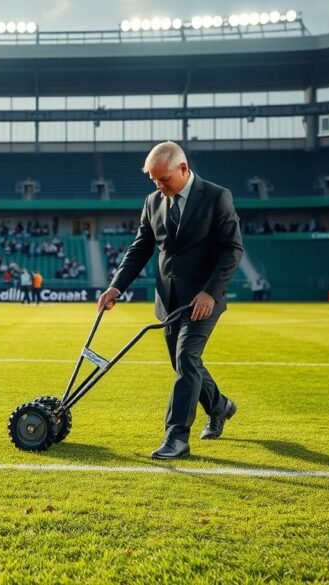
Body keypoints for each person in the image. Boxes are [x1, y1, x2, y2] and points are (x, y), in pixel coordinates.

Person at [97, 141, 244, 460]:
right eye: (153, 180)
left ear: (183, 168)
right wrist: (115, 287)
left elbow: (232, 249)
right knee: (184, 362)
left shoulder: (217, 197)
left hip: (203, 299)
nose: (158, 185)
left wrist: (210, 291)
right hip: (167, 301)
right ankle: (220, 406)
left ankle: (176, 437)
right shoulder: (153, 202)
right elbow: (140, 248)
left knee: (187, 359)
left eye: (163, 179)